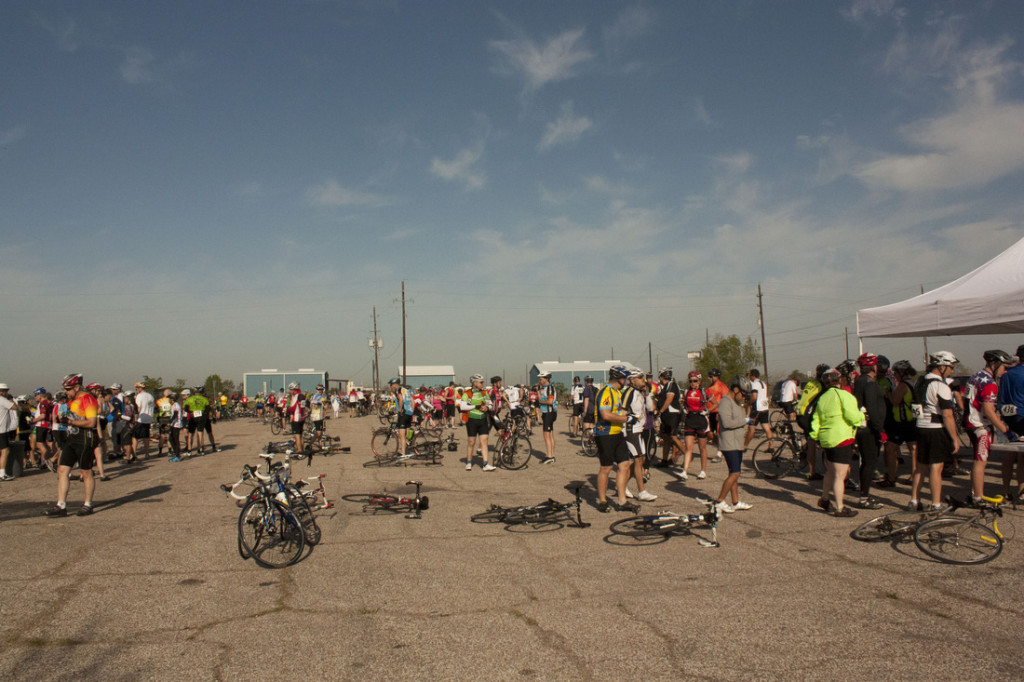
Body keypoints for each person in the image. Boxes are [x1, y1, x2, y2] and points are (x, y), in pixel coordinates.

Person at [909, 352, 960, 512]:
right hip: (935, 429)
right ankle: (936, 504)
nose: (952, 370)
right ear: (942, 366)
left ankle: (914, 501)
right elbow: (947, 414)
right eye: (951, 367)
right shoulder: (940, 385)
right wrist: (954, 438)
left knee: (921, 466)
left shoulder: (921, 381)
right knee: (936, 468)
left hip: (920, 426)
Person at [810, 368, 864, 517]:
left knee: (831, 471)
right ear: (838, 380)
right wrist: (862, 417)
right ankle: (840, 507)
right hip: (841, 437)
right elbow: (852, 417)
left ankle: (825, 499)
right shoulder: (844, 395)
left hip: (826, 438)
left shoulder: (822, 398)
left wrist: (816, 437)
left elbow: (816, 419)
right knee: (840, 476)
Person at [964, 350, 1015, 503]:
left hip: (970, 422)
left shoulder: (975, 376)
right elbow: (989, 410)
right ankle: (978, 498)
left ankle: (974, 494)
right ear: (995, 364)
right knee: (981, 462)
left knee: (976, 461)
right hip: (981, 426)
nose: (1005, 371)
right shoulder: (990, 383)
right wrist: (1006, 430)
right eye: (1004, 367)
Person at [45, 374, 99, 517]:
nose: (66, 392)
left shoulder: (88, 399)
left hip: (85, 439)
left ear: (76, 387)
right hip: (71, 438)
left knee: (86, 472)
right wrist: (64, 421)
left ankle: (88, 504)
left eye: (68, 389)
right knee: (62, 471)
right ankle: (61, 505)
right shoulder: (71, 401)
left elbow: (91, 422)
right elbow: (71, 418)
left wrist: (70, 422)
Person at [593, 365, 640, 513]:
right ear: (619, 379)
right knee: (606, 468)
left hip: (617, 432)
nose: (626, 381)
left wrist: (630, 415)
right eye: (625, 378)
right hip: (605, 433)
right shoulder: (606, 392)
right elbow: (605, 415)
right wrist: (626, 418)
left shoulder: (617, 392)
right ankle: (602, 500)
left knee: (624, 465)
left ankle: (622, 501)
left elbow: (618, 410)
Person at [711, 376, 755, 513]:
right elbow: (727, 423)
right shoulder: (725, 402)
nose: (743, 397)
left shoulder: (736, 403)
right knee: (735, 474)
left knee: (734, 473)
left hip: (737, 443)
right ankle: (719, 501)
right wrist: (745, 421)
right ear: (735, 389)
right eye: (743, 394)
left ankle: (735, 502)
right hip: (729, 444)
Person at [852, 353, 886, 510]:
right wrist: (881, 430)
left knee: (866, 461)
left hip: (862, 426)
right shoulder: (869, 383)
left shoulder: (860, 381)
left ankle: (863, 493)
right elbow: (872, 408)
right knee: (869, 461)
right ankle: (864, 497)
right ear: (874, 367)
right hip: (869, 428)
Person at [620, 369, 657, 502]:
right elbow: (621, 410)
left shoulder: (640, 392)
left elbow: (651, 408)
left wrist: (648, 394)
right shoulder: (629, 392)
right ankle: (642, 491)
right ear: (633, 380)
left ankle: (622, 485)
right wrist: (629, 418)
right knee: (637, 459)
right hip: (631, 430)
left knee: (640, 460)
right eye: (640, 378)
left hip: (639, 430)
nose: (643, 380)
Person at [998, 344, 1024, 503]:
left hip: (1008, 416)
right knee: (1022, 458)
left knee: (1009, 455)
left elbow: (1003, 396)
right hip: (1022, 416)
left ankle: (1006, 490)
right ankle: (1021, 490)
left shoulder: (1007, 374)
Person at [459, 374, 495, 471]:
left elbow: (490, 404)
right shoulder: (467, 393)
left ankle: (485, 464)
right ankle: (469, 462)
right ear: (474, 383)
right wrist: (476, 407)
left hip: (482, 419)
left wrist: (487, 407)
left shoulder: (484, 393)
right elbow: (462, 406)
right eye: (481, 382)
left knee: (484, 441)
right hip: (471, 420)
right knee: (472, 442)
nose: (483, 384)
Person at [680, 371, 711, 480]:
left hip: (700, 419)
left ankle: (703, 470)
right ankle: (685, 471)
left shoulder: (704, 391)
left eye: (695, 381)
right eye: (691, 381)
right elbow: (683, 403)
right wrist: (684, 409)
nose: (693, 383)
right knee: (689, 447)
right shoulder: (686, 391)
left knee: (702, 447)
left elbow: (715, 402)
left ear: (699, 381)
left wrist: (707, 411)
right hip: (690, 419)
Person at [654, 368, 686, 469]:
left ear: (662, 377)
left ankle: (686, 455)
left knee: (673, 437)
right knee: (665, 437)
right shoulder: (665, 386)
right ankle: (664, 460)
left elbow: (669, 399)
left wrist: (661, 411)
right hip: (666, 416)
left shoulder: (672, 385)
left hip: (672, 415)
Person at [743, 368, 774, 448]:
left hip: (757, 408)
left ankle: (745, 446)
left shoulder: (754, 384)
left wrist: (748, 403)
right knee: (766, 427)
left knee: (751, 428)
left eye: (749, 375)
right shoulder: (763, 383)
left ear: (752, 376)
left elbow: (754, 396)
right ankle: (771, 446)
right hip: (765, 407)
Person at [390, 378, 414, 458]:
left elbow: (401, 400)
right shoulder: (407, 390)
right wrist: (412, 411)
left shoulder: (398, 390)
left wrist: (399, 411)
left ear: (394, 384)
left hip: (403, 414)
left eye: (391, 385)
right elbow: (412, 401)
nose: (390, 387)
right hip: (409, 413)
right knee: (407, 435)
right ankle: (408, 449)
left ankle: (403, 453)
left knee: (402, 435)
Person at [705, 368, 729, 446]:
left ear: (716, 377)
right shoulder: (710, 386)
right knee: (710, 434)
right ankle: (721, 447)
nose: (709, 378)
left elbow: (726, 399)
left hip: (718, 412)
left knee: (719, 433)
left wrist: (722, 412)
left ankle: (719, 452)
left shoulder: (721, 386)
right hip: (711, 412)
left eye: (710, 376)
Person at [536, 371, 557, 464]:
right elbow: (541, 399)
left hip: (549, 412)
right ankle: (551, 455)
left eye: (541, 379)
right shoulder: (545, 388)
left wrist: (540, 403)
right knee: (550, 434)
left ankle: (549, 456)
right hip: (546, 412)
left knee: (546, 435)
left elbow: (550, 401)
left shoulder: (550, 388)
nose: (540, 381)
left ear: (546, 379)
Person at [0, 383, 17, 481]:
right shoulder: (3, 400)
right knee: (5, 450)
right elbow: (15, 407)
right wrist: (11, 400)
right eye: (6, 391)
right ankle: (2, 474)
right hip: (1, 430)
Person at [133, 381, 155, 459]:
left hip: (141, 418)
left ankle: (134, 453)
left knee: (135, 437)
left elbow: (137, 407)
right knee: (146, 437)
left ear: (139, 388)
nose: (136, 390)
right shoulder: (151, 396)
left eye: (136, 389)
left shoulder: (139, 396)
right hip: (149, 418)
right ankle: (147, 453)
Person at [285, 382, 307, 454]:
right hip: (302, 417)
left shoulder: (296, 396)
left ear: (294, 390)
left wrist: (287, 410)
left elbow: (292, 408)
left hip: (296, 418)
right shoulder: (302, 396)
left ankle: (299, 452)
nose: (290, 391)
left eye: (291, 389)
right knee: (301, 435)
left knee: (297, 436)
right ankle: (303, 450)